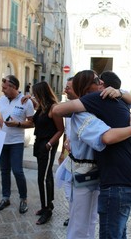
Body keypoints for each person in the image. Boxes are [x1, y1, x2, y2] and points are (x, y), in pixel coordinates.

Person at [53, 70, 131, 239]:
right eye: (96, 80)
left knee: (92, 220)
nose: (101, 82)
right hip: (84, 172)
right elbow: (106, 137)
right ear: (86, 89)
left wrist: (120, 91)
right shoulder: (82, 112)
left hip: (100, 173)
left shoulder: (102, 103)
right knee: (79, 222)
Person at [0, 75, 34, 214]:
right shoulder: (1, 99)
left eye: (5, 88)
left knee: (17, 171)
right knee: (4, 171)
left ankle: (23, 199)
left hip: (16, 142)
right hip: (1, 141)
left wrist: (17, 123)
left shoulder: (25, 102)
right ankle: (6, 198)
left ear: (13, 87)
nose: (2, 90)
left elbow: (32, 122)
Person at [32, 81, 64, 225]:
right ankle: (47, 205)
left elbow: (60, 129)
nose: (34, 96)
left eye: (35, 94)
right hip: (40, 143)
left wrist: (49, 144)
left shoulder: (54, 108)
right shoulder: (42, 108)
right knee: (46, 176)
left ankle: (47, 211)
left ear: (41, 93)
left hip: (47, 145)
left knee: (43, 178)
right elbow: (36, 122)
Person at [57, 77, 77, 227]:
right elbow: (66, 131)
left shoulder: (83, 107)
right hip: (69, 155)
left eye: (68, 87)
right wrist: (62, 151)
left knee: (77, 189)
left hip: (80, 158)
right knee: (67, 186)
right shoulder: (69, 107)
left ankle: (77, 217)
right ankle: (72, 216)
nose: (65, 90)